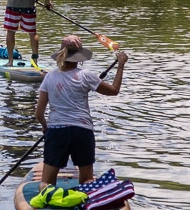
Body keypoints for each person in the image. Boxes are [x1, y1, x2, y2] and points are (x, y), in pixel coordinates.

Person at [35, 35, 126, 186]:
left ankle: (46, 198)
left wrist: (45, 128)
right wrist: (121, 65)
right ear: (79, 57)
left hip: (57, 131)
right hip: (82, 131)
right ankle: (88, 202)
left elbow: (38, 114)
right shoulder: (86, 76)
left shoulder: (49, 77)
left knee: (46, 182)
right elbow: (114, 90)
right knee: (87, 181)